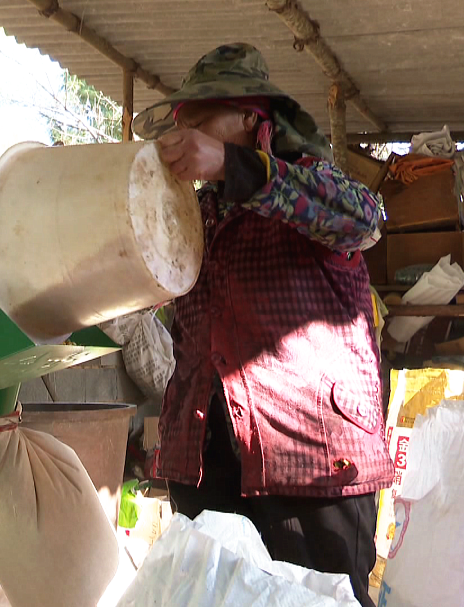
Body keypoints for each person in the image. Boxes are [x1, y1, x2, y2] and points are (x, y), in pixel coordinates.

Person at [132, 43, 392, 607]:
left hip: (311, 459)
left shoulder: (310, 188)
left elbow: (366, 219)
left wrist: (233, 165)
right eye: (181, 120)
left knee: (319, 598)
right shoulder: (192, 214)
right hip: (205, 458)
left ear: (253, 118)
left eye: (201, 117)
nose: (186, 128)